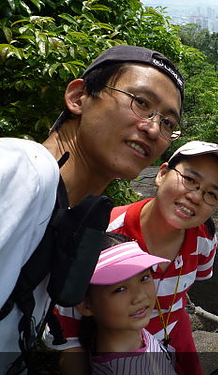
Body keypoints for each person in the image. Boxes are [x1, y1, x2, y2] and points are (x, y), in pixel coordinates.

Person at [0, 44, 185, 374]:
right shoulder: (24, 168)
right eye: (141, 103)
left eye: (168, 122)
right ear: (78, 97)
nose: (154, 129)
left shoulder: (64, 215)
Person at [52, 140, 218, 375]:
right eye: (190, 179)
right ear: (162, 174)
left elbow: (187, 288)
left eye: (211, 193)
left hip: (175, 332)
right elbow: (69, 332)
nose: (196, 196)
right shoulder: (104, 233)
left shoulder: (204, 239)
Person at [75, 232, 176, 375]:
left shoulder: (135, 335)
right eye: (120, 289)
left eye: (144, 278)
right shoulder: (119, 369)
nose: (139, 296)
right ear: (86, 305)